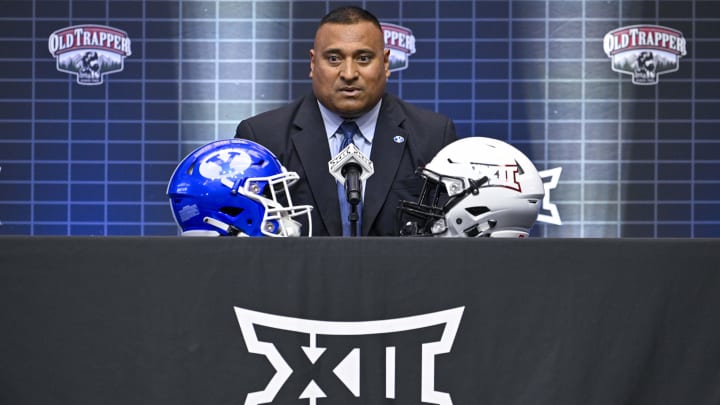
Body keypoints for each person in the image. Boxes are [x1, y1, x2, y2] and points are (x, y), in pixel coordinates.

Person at [235, 5, 457, 236]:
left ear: (385, 63)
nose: (349, 73)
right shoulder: (262, 138)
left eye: (363, 58)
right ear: (313, 64)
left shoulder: (432, 136)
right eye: (333, 58)